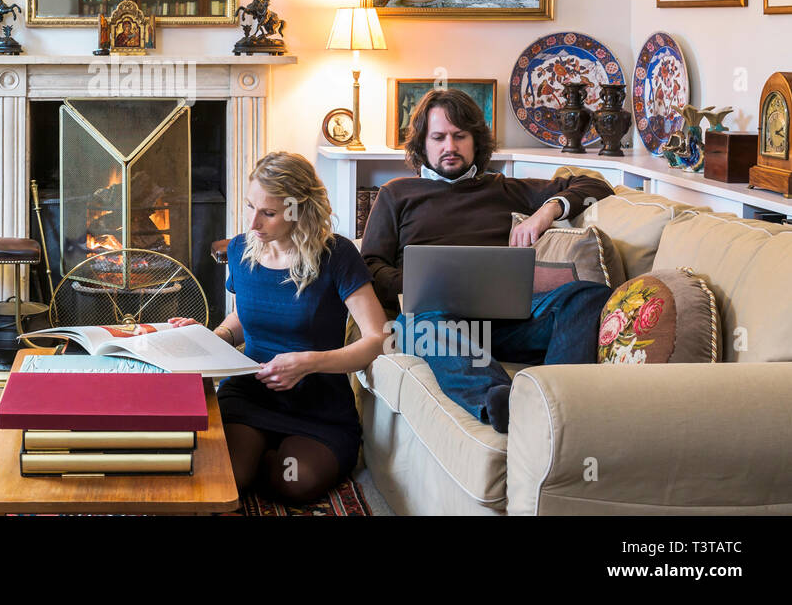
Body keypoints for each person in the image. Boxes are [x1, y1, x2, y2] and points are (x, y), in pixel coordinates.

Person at [360, 88, 615, 433]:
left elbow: (593, 185)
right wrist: (422, 284)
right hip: (435, 324)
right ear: (423, 144)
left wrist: (546, 211)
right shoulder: (397, 194)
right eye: (438, 137)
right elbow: (370, 267)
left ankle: (558, 398)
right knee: (421, 324)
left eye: (459, 136)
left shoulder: (502, 188)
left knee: (587, 296)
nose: (449, 147)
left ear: (475, 141)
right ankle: (503, 399)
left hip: (507, 324)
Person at [170, 151, 387, 505]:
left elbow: (377, 339)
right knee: (229, 477)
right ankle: (251, 454)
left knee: (292, 482)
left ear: (299, 210)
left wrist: (308, 363)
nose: (253, 222)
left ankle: (265, 455)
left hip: (317, 407)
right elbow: (243, 317)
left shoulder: (338, 255)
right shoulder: (242, 249)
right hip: (249, 395)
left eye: (268, 213)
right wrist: (213, 337)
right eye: (250, 207)